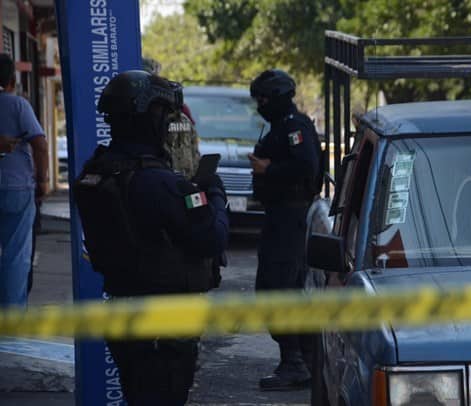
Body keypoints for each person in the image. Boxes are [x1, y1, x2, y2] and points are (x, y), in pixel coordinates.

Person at [74, 70, 229, 405]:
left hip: (122, 313)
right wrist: (215, 194)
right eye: (164, 116)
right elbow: (211, 237)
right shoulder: (159, 184)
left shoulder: (94, 172)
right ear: (150, 118)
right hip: (163, 324)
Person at [248, 69, 321, 391]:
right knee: (286, 286)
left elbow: (307, 166)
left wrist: (268, 169)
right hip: (281, 216)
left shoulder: (294, 127)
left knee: (277, 286)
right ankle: (302, 361)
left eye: (264, 98)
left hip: (290, 218)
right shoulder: (280, 126)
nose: (260, 104)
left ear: (278, 98)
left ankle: (295, 362)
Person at [0, 53, 49, 307]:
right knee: (15, 254)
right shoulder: (18, 105)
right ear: (12, 80)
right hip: (16, 187)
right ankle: (11, 319)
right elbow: (39, 145)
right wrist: (43, 180)